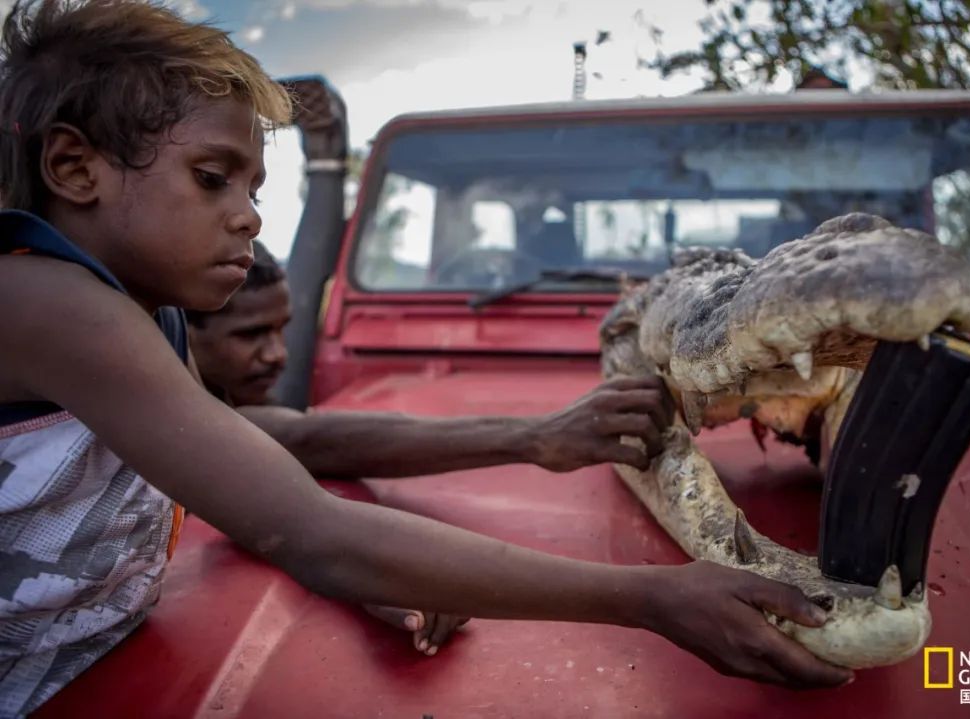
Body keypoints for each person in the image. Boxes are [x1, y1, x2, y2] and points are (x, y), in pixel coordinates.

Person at [0, 1, 852, 715]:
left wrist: (531, 441)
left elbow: (278, 448)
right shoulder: (45, 303)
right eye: (214, 178)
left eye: (256, 189)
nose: (250, 216)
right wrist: (654, 596)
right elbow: (303, 524)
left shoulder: (139, 319)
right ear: (75, 167)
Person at [187, 240, 693, 652]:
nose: (277, 354)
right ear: (181, 329)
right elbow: (299, 439)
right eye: (251, 334)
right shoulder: (161, 417)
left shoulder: (230, 404)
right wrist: (534, 437)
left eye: (283, 330)